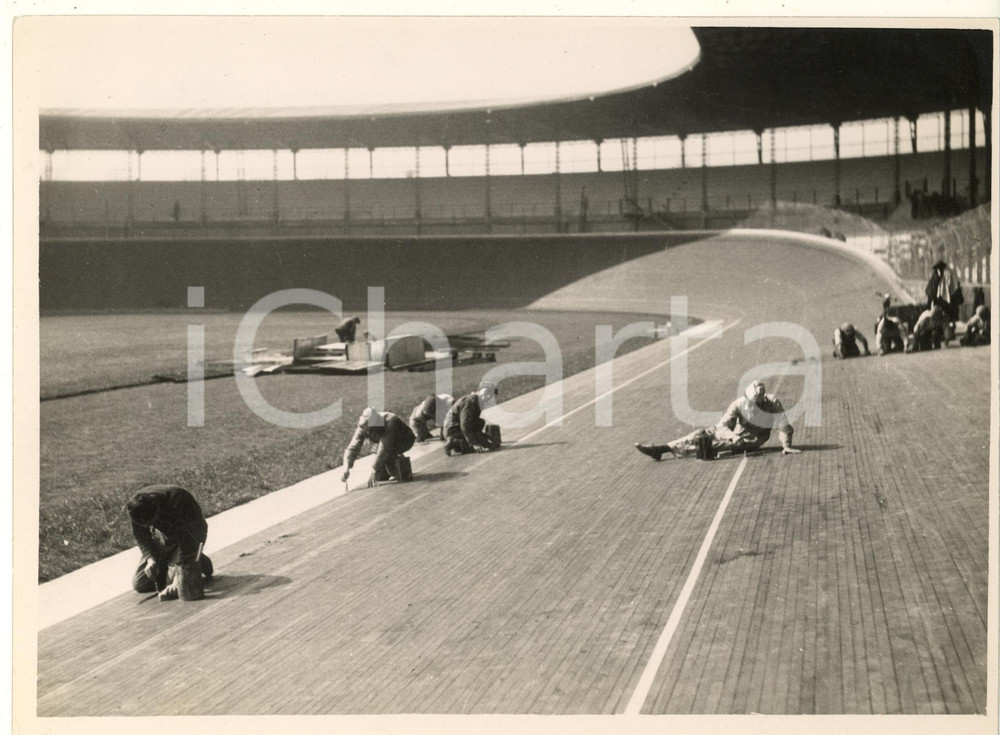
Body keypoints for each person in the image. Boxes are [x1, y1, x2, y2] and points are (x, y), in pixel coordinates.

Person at [635, 380, 801, 460]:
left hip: (752, 439)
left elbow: (783, 425)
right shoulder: (738, 404)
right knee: (701, 433)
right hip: (735, 434)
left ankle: (671, 451)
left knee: (707, 446)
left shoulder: (772, 403)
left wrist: (786, 445)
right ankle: (662, 448)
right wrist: (732, 435)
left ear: (763, 399)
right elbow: (722, 426)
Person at [127, 485, 213, 600]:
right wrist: (150, 558)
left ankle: (197, 559)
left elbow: (187, 540)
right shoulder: (136, 506)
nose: (147, 527)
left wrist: (176, 582)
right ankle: (173, 560)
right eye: (144, 525)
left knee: (177, 584)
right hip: (164, 539)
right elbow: (141, 537)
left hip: (191, 536)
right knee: (140, 583)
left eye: (150, 522)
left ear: (157, 509)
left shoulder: (179, 500)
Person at [341, 406, 415, 487]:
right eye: (364, 426)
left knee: (396, 472)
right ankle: (391, 464)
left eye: (368, 426)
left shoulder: (391, 421)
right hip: (385, 441)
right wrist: (346, 468)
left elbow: (385, 447)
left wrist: (374, 469)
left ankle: (401, 465)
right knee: (380, 476)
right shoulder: (363, 426)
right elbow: (353, 447)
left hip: (404, 440)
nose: (366, 429)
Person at [443, 383, 500, 456]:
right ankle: (453, 442)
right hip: (453, 430)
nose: (488, 395)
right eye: (486, 392)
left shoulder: (478, 401)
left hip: (457, 427)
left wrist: (485, 437)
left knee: (481, 423)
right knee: (474, 448)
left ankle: (460, 443)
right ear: (479, 390)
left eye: (491, 394)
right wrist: (474, 443)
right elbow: (465, 425)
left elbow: (473, 423)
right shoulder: (472, 400)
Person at [925, 259, 963, 341]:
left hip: (944, 299)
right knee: (948, 316)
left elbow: (941, 289)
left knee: (946, 316)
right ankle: (946, 333)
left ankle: (945, 333)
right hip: (946, 299)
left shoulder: (943, 273)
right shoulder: (945, 273)